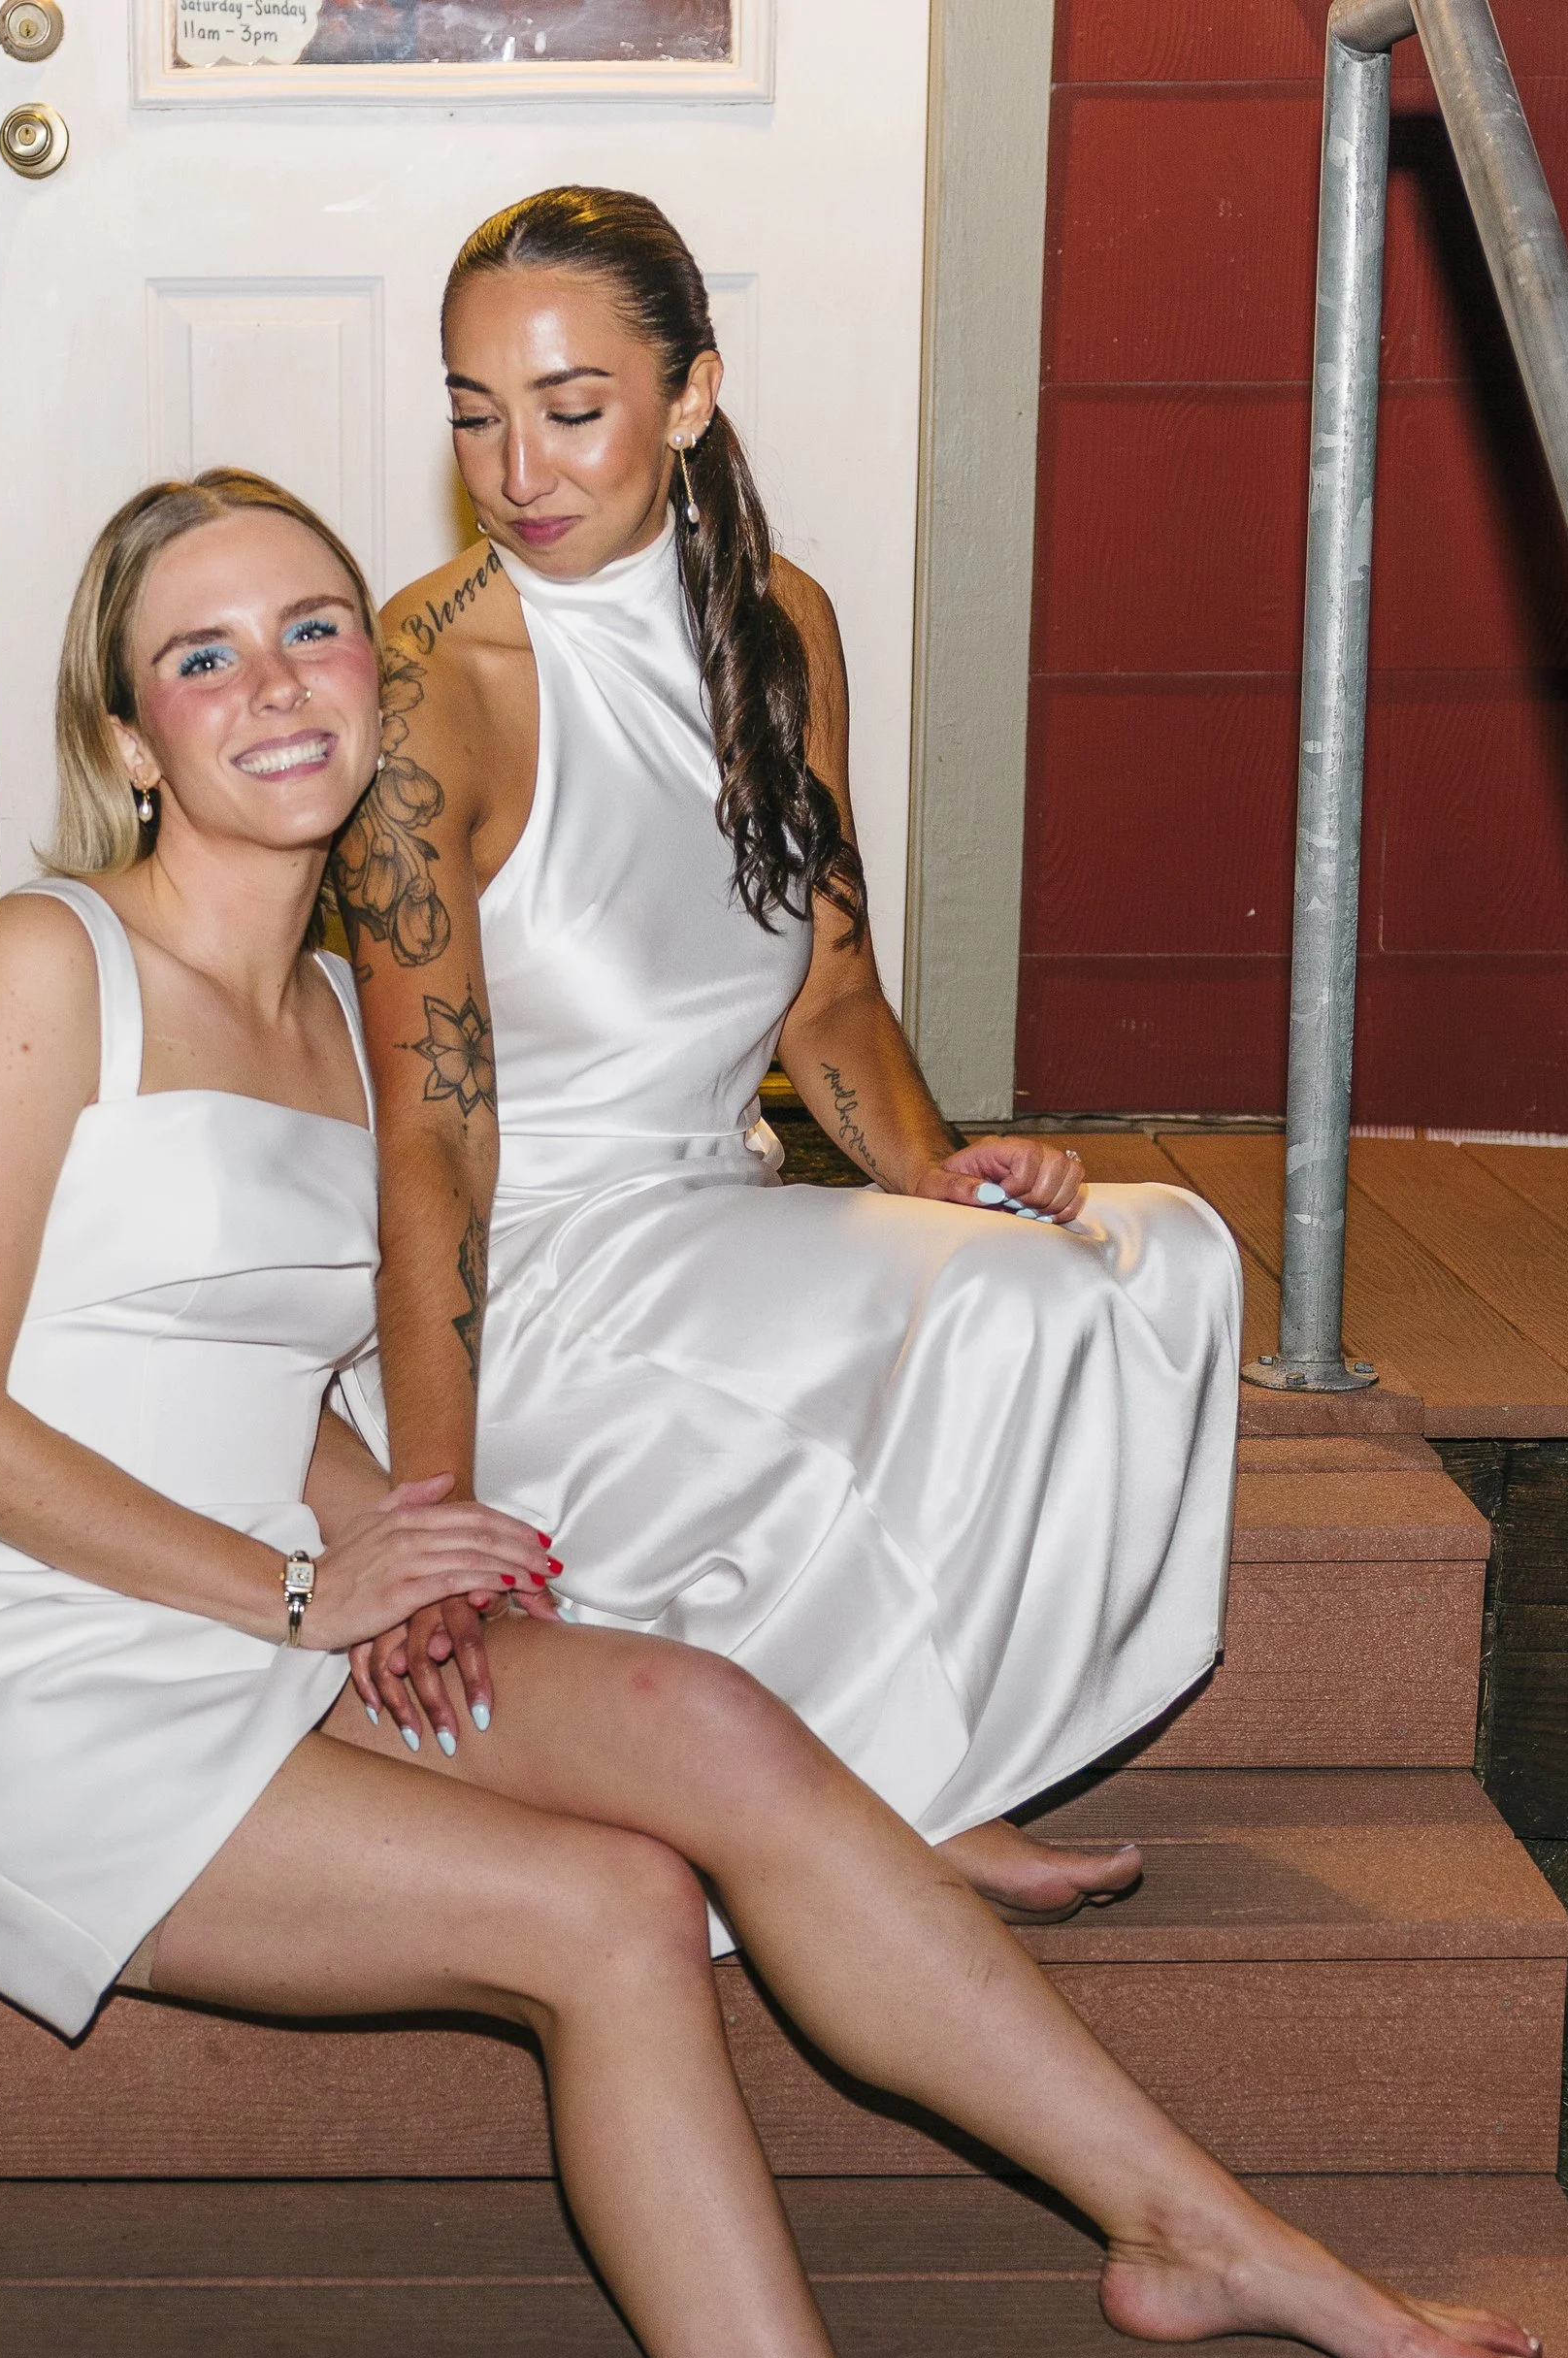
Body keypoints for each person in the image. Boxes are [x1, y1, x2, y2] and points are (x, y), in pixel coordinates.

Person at [0, 468, 1537, 2358]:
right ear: (127, 738)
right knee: (610, 1909)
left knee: (707, 1717)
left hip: (265, 1594)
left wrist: (414, 1546)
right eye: (201, 657)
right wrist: (310, 1589)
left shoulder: (345, 1007)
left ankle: (1195, 2222)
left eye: (315, 630)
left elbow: (258, 1384)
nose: (277, 688)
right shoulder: (49, 966)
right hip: (21, 1662)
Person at [337, 186, 1246, 1925]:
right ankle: (895, 1807)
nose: (517, 464)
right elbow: (431, 1142)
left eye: (571, 407)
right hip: (531, 1266)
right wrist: (425, 1508)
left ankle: (929, 1763)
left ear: (690, 397)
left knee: (1137, 1259)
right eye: (473, 411)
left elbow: (827, 999)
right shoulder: (424, 684)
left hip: (717, 1213)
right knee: (1012, 1311)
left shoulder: (782, 621)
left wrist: (934, 1171)